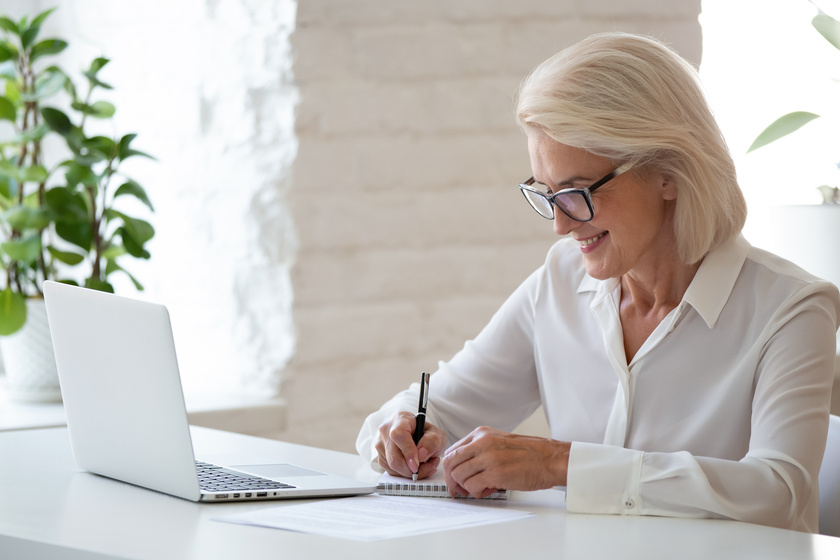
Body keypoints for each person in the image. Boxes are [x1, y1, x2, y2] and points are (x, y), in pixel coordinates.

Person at [355, 32, 840, 533]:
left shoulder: (792, 308)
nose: (560, 224)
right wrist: (401, 436)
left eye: (578, 191)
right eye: (547, 193)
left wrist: (560, 463)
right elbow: (436, 406)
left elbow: (777, 492)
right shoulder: (559, 283)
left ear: (669, 172)